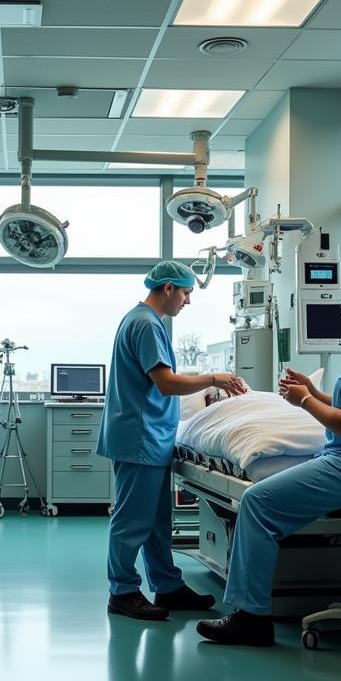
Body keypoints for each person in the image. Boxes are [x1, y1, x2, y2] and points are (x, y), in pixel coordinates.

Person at [197, 267, 341, 647]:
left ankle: (251, 618)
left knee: (256, 502)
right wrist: (314, 392)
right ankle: (252, 607)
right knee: (266, 499)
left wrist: (303, 402)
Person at [97, 260, 249, 621]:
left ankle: (167, 585)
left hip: (148, 436)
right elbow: (165, 382)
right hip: (140, 437)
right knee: (133, 521)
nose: (188, 301)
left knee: (156, 521)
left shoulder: (144, 321)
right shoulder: (145, 324)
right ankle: (122, 592)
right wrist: (214, 378)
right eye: (186, 293)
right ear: (168, 288)